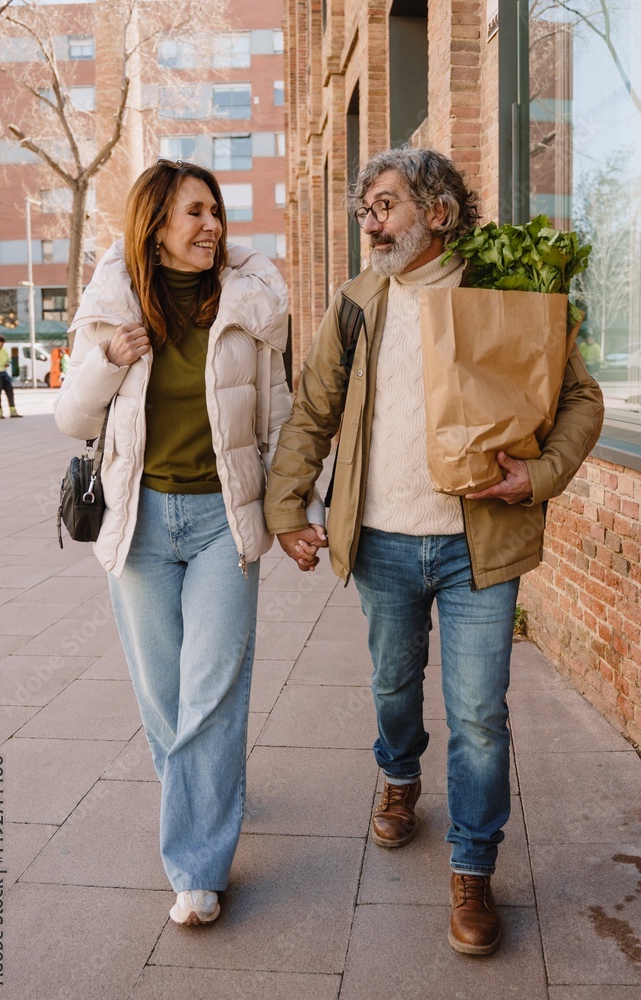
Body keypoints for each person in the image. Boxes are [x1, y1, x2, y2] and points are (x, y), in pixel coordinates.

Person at [264, 147, 604, 956]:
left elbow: (580, 397)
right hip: (381, 542)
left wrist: (539, 475)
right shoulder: (356, 303)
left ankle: (472, 867)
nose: (368, 223)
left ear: (438, 213)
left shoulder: (505, 293)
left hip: (475, 548)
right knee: (391, 685)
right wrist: (287, 507)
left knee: (480, 715)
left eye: (383, 206)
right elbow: (312, 412)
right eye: (364, 210)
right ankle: (399, 774)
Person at [55, 159, 322, 927]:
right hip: (137, 524)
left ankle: (197, 869)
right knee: (165, 699)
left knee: (211, 692)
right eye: (194, 213)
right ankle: (208, 794)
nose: (211, 225)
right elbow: (72, 421)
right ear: (156, 226)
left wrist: (295, 510)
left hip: (219, 522)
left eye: (214, 211)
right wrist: (108, 361)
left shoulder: (248, 301)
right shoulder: (113, 304)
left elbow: (280, 418)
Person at [0, 335, 23, 418]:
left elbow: (8, 360)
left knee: (10, 392)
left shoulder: (4, 351)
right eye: (0, 344)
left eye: (2, 344)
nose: (1, 346)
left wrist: (7, 363)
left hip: (4, 373)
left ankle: (13, 411)